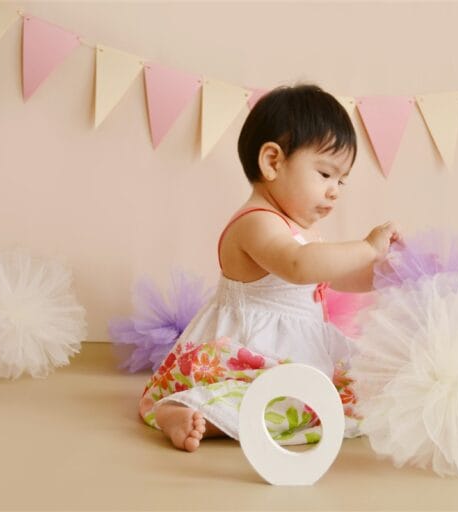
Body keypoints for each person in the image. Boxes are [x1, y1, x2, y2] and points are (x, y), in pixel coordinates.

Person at [138, 83, 401, 452]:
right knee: (268, 398)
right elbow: (298, 266)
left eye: (341, 180)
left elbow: (334, 275)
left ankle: (216, 415)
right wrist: (365, 246)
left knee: (353, 394)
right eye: (325, 174)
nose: (335, 191)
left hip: (295, 353)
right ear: (273, 162)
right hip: (246, 354)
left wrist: (388, 272)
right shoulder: (256, 223)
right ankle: (185, 409)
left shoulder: (301, 233)